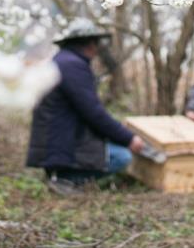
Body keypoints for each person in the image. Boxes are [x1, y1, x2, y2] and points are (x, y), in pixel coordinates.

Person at [26, 18, 145, 195]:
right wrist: (128, 139)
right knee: (122, 156)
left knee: (112, 146)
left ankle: (61, 175)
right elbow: (93, 112)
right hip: (62, 141)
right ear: (89, 44)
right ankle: (65, 179)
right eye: (96, 44)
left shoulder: (63, 61)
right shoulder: (73, 65)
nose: (97, 50)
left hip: (59, 139)